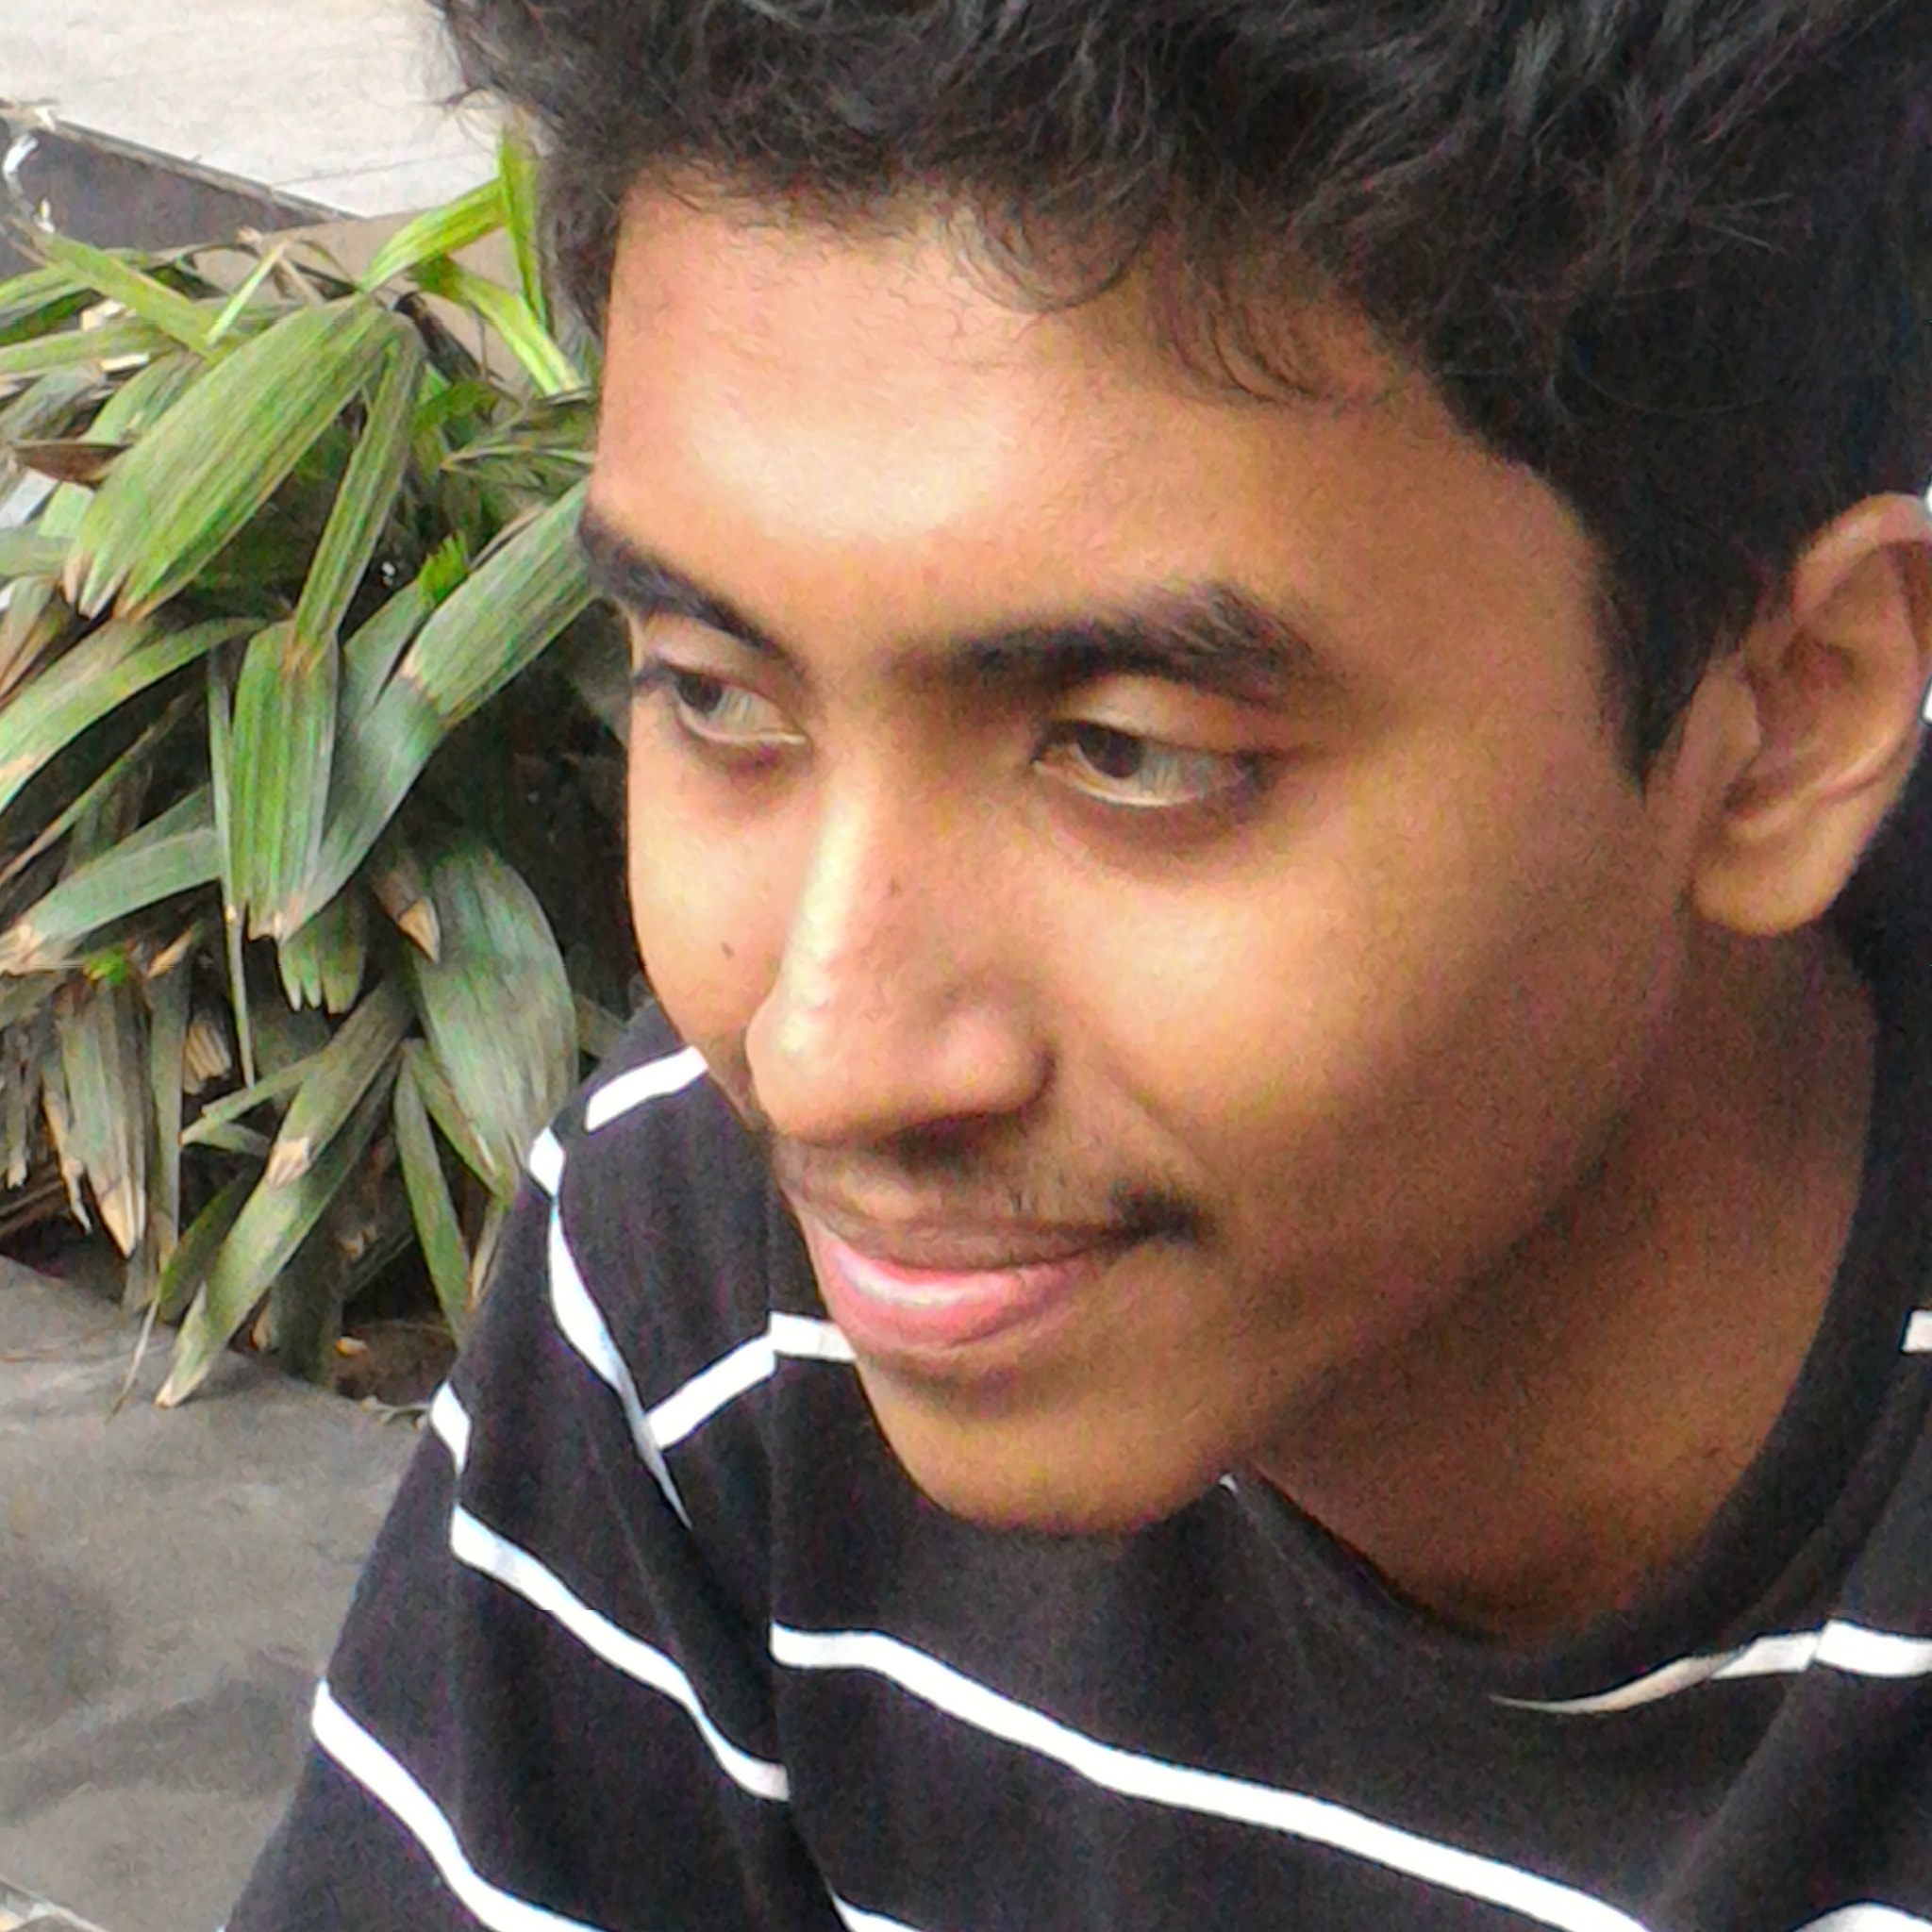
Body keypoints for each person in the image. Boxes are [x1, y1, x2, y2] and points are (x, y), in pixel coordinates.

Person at [230, 2, 1932, 1926]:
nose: (824, 1058)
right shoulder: (717, 1282)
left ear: (1784, 721)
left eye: (1132, 755)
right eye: (717, 697)